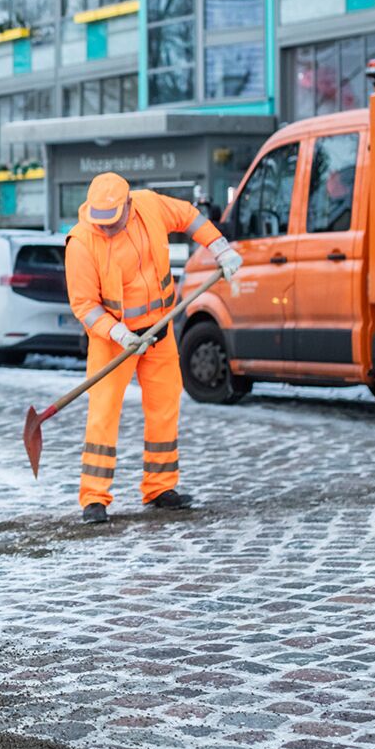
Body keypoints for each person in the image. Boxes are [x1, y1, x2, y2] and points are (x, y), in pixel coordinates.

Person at [65, 173, 242, 524]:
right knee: (103, 414)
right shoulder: (82, 242)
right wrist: (118, 333)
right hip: (113, 340)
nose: (108, 230)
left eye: (113, 223)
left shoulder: (150, 206)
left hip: (160, 327)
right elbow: (84, 305)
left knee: (164, 407)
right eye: (102, 224)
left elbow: (190, 217)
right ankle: (94, 498)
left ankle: (160, 487)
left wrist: (220, 247)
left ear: (128, 205)